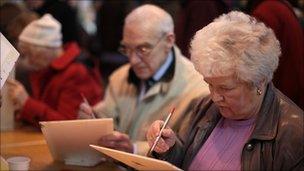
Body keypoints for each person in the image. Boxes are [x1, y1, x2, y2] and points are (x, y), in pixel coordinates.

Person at [146, 11, 303, 170]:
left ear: (259, 81)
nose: (214, 97)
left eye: (225, 88)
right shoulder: (205, 106)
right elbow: (182, 161)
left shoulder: (293, 134)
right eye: (209, 84)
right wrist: (169, 148)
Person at [78, 4, 209, 155]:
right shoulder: (120, 76)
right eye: (127, 49)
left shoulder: (198, 91)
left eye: (143, 49)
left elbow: (185, 153)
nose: (133, 60)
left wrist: (134, 149)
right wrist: (92, 120)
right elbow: (108, 118)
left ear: (169, 41)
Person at [7, 14, 103, 127]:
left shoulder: (76, 72)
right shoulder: (49, 68)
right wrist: (22, 110)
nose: (28, 61)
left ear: (45, 50)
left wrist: (27, 103)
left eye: (30, 54)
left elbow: (67, 125)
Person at [246, 0, 304, 109]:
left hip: (283, 92)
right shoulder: (277, 6)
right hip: (292, 86)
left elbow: (252, 61)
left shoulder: (267, 12)